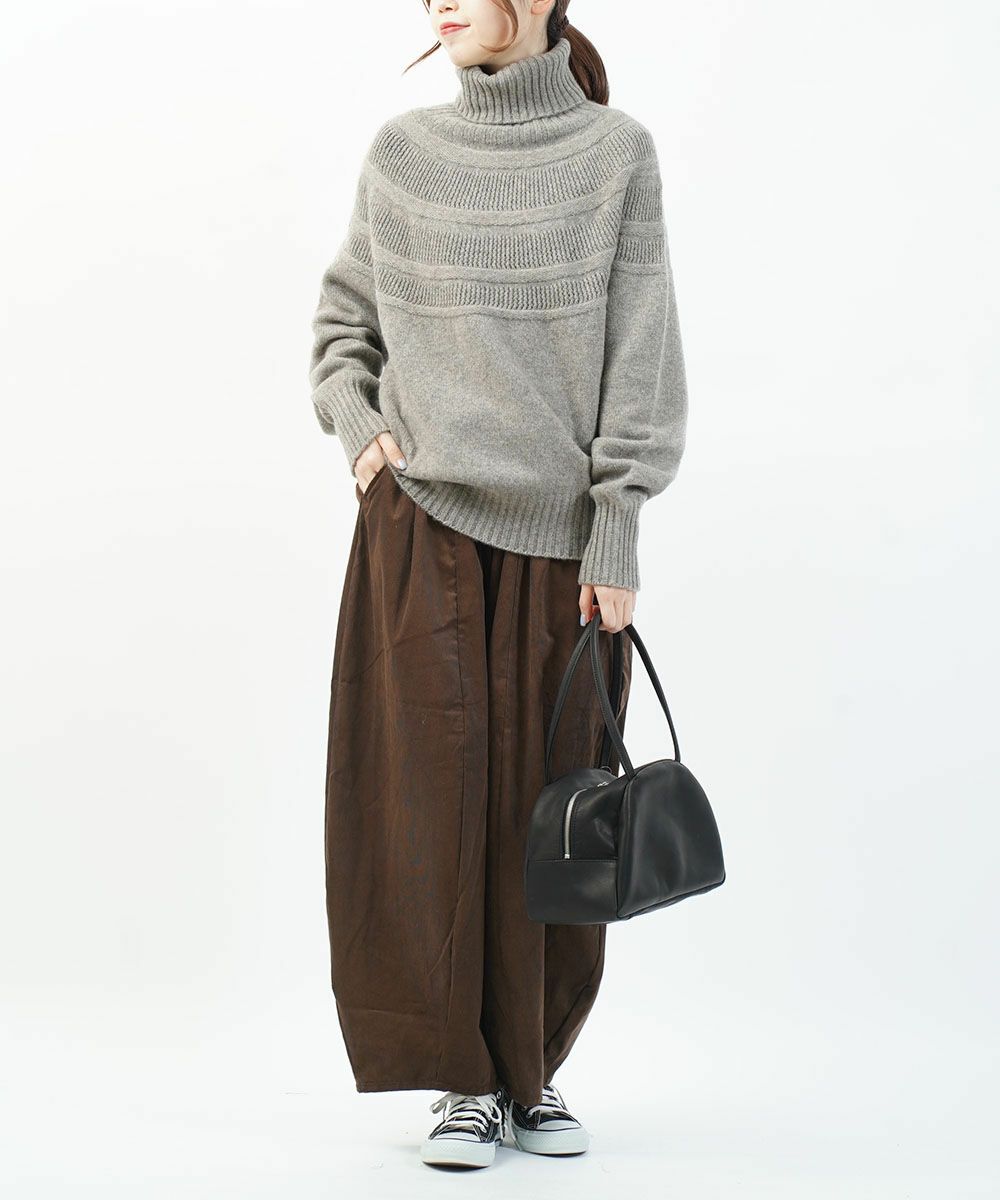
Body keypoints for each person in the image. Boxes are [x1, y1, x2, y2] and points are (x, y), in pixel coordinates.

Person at [307, 0, 688, 1171]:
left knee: (554, 814)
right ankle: (461, 1082)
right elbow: (342, 324)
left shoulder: (614, 156)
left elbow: (641, 353)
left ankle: (530, 1070)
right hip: (418, 528)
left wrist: (617, 528)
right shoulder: (404, 154)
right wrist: (363, 437)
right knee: (421, 813)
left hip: (561, 546)